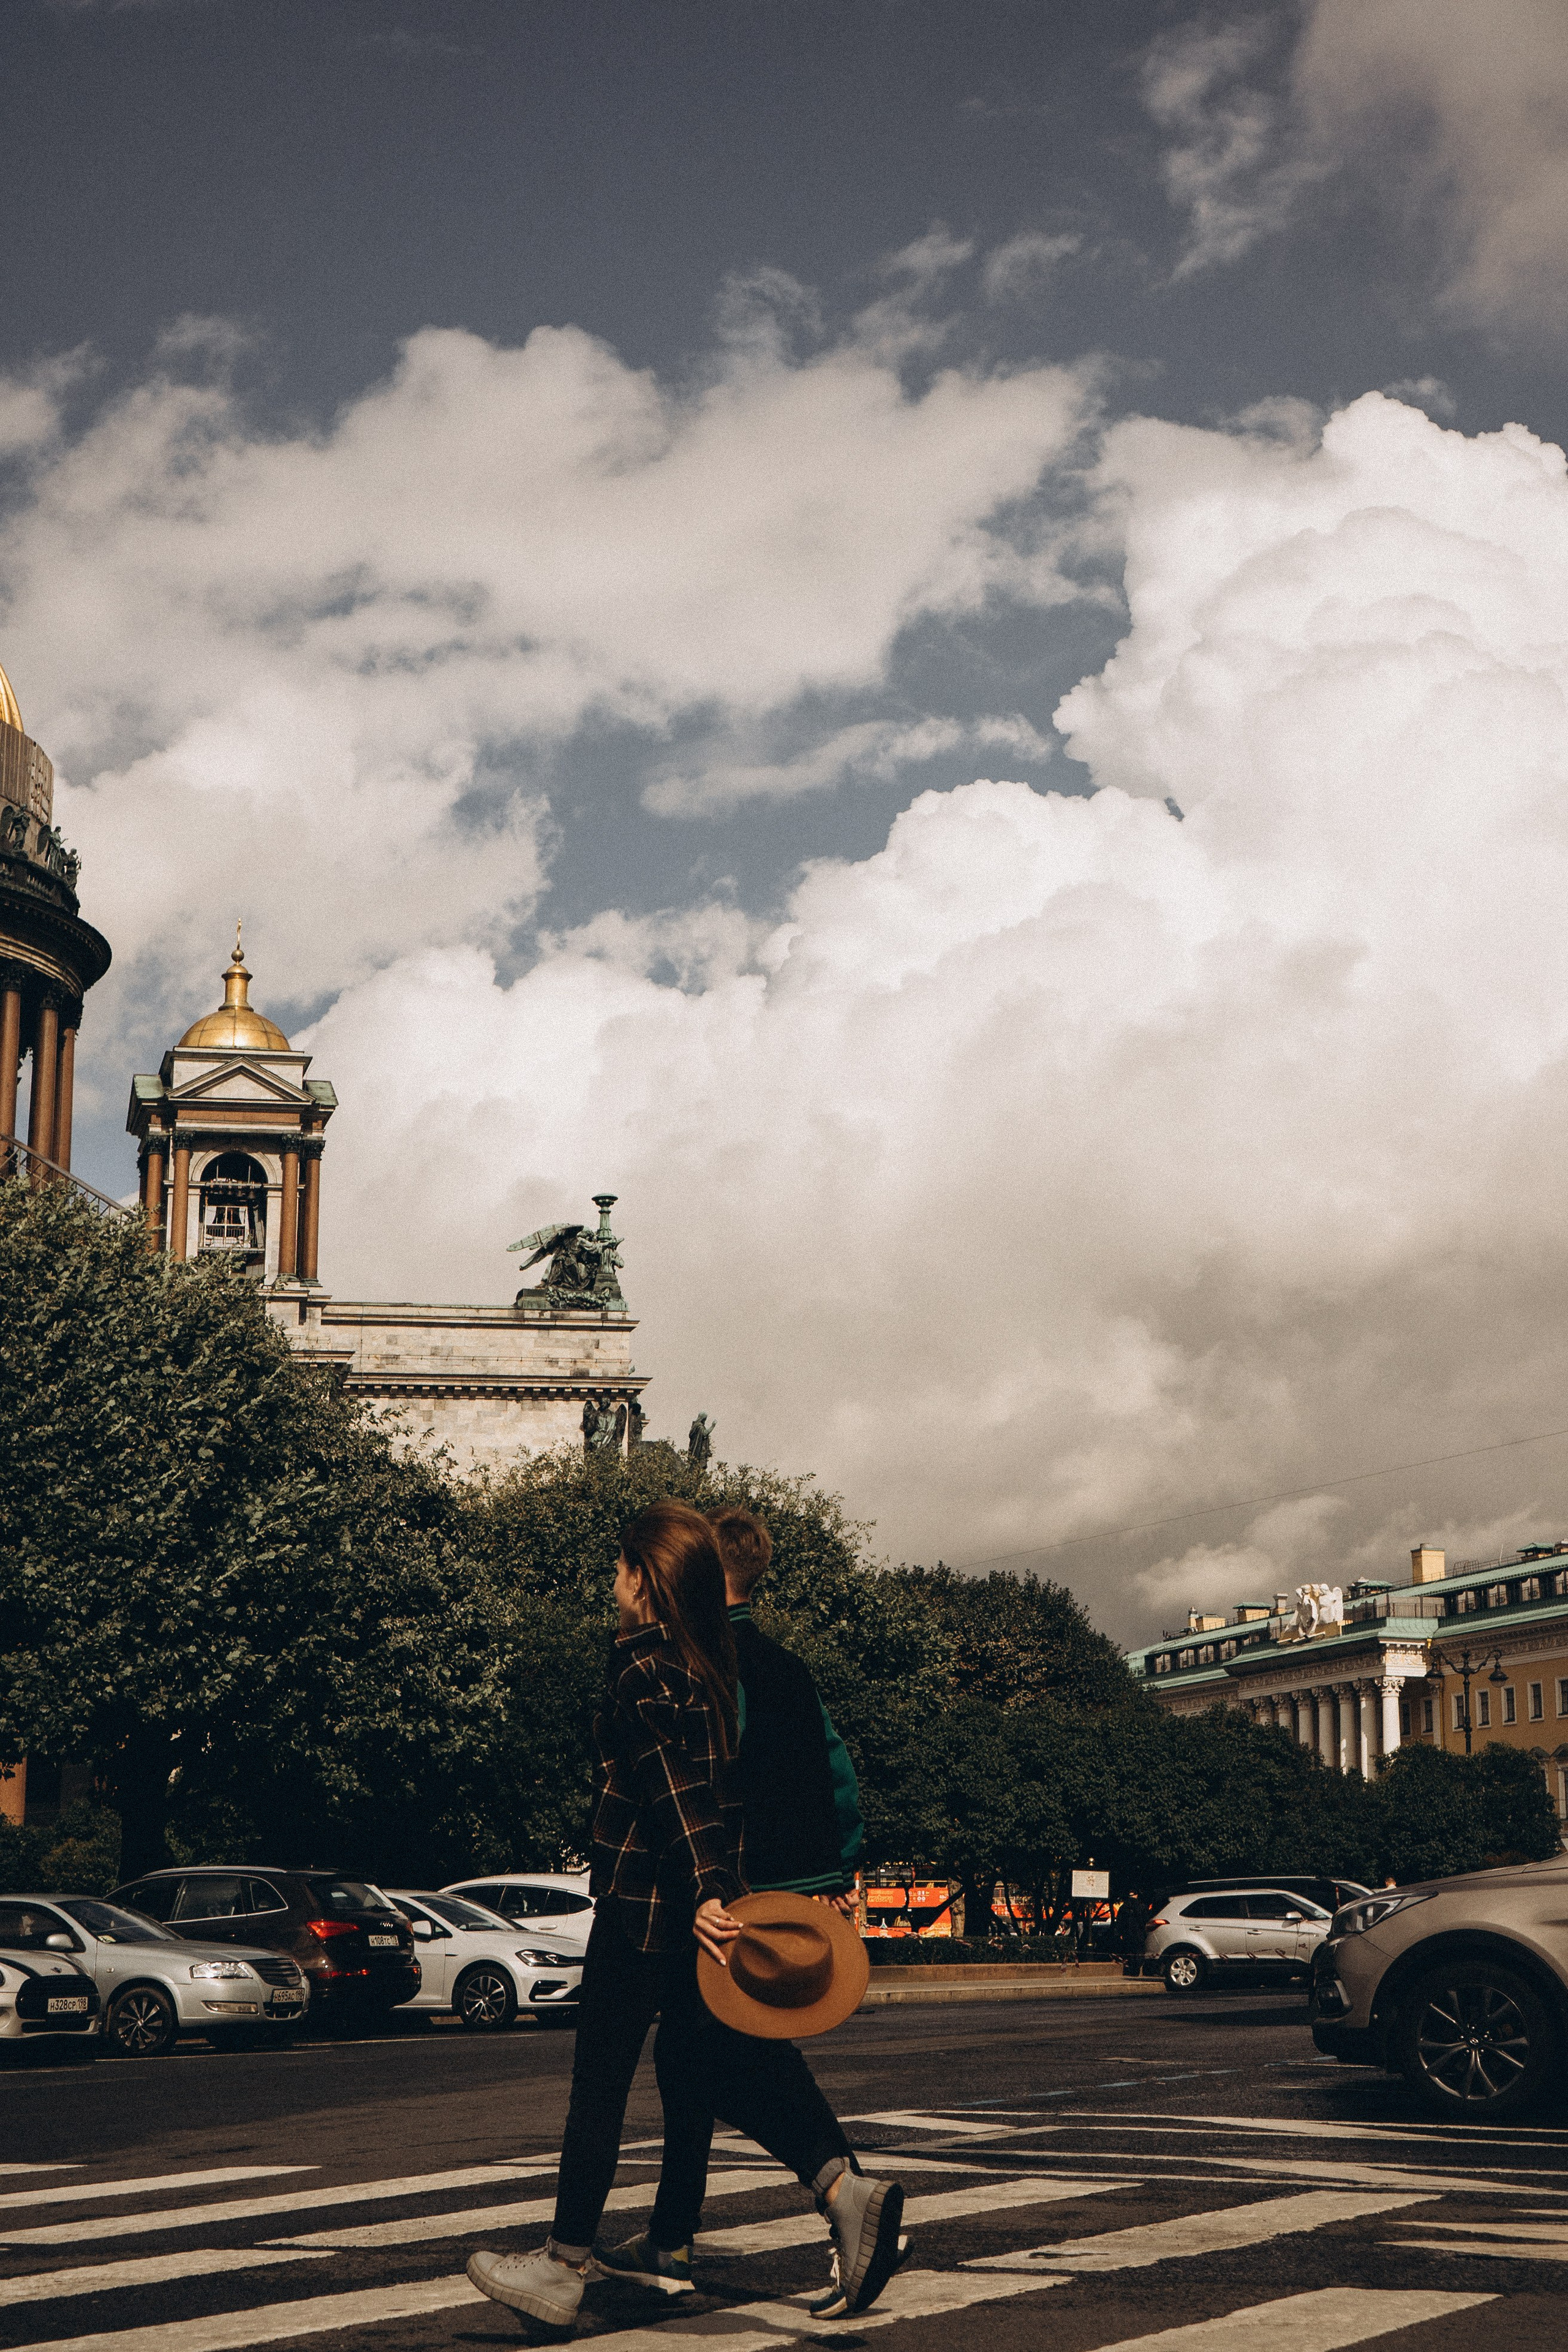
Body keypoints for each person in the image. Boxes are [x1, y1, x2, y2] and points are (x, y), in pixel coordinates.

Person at [466, 1501, 903, 2337]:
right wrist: (768, 1882)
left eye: (621, 1567)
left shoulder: (643, 1672)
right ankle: (844, 2192)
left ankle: (563, 2266)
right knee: (730, 2064)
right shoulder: (711, 1665)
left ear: (646, 1580)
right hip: (707, 1904)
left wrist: (704, 1890)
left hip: (646, 1908)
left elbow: (677, 1795)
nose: (613, 1582)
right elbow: (753, 1788)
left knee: (599, 2083)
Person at [594, 1505, 867, 2307]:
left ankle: (844, 2191)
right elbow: (836, 1769)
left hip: (726, 1898)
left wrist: (706, 1885)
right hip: (792, 1890)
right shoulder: (790, 1665)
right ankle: (674, 2237)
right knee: (696, 2062)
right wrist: (834, 1879)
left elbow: (708, 1785)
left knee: (730, 2060)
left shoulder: (704, 1659)